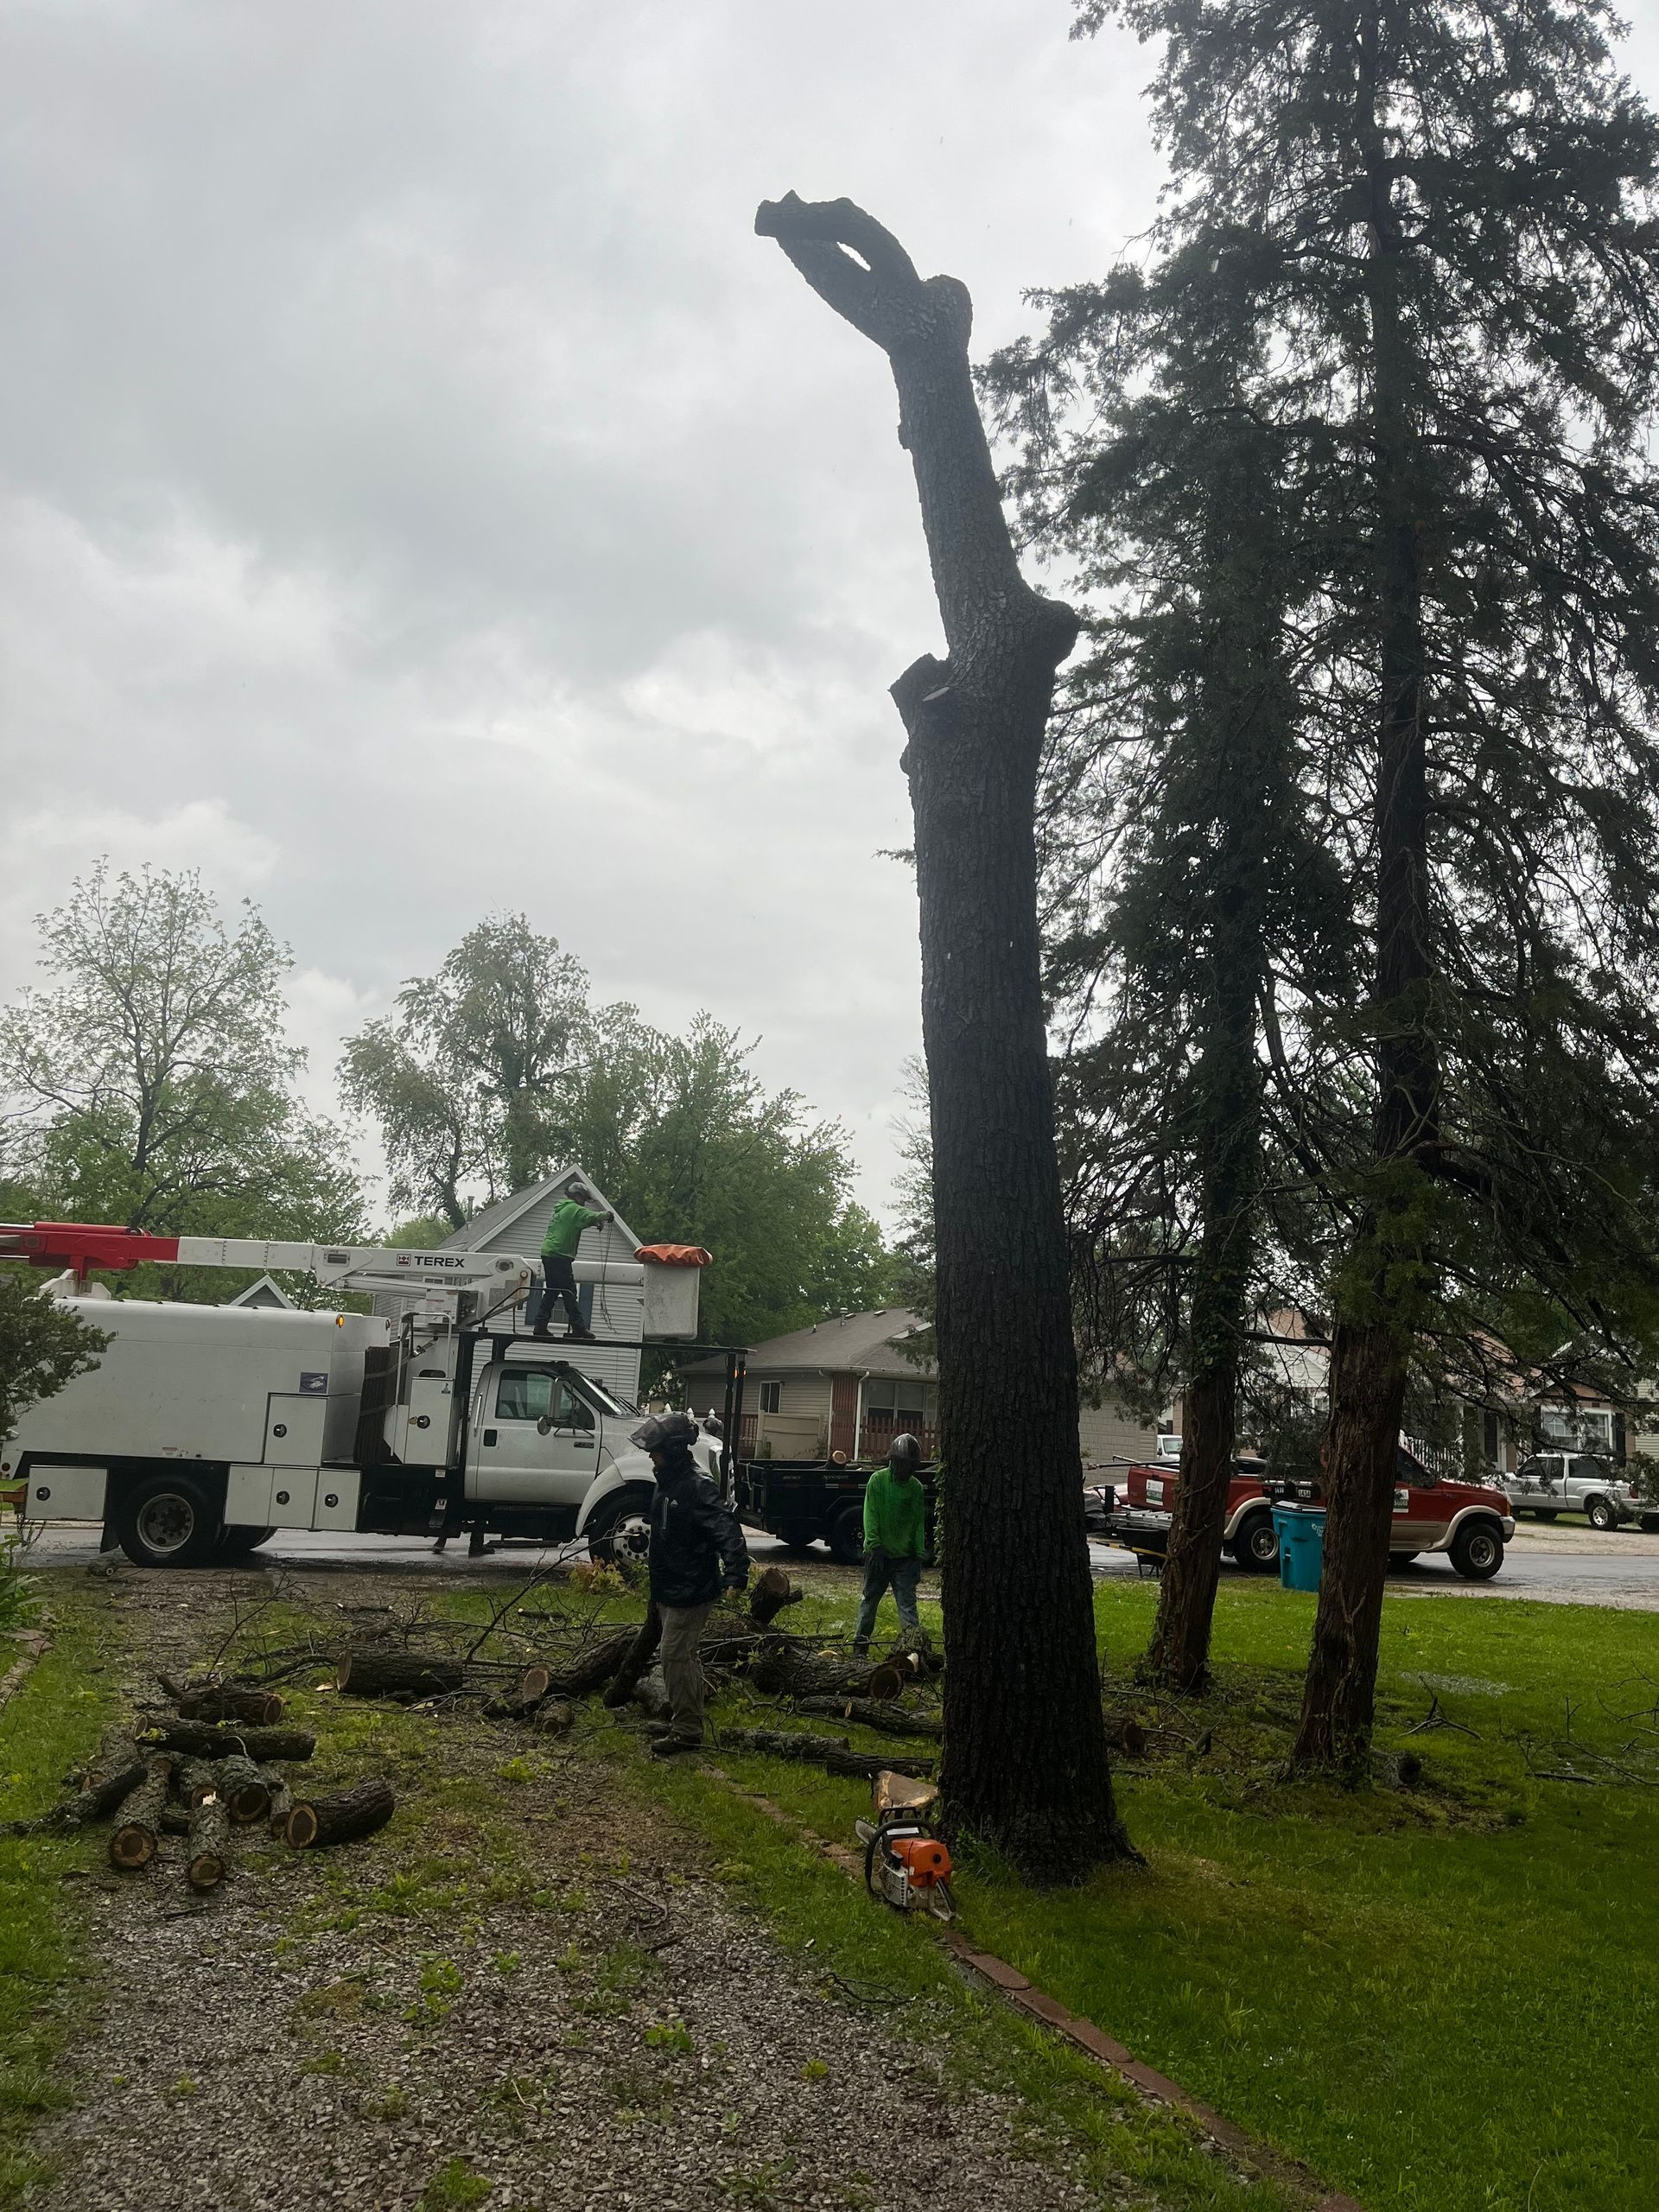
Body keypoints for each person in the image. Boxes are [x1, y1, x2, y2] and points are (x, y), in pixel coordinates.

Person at [632, 1409, 749, 1755]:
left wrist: (736, 1572)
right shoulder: (667, 1481)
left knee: (675, 1657)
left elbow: (726, 1527)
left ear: (673, 1449)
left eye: (655, 1451)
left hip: (691, 1588)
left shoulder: (697, 1486)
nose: (650, 1456)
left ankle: (686, 1730)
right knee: (681, 1657)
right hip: (670, 1587)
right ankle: (685, 1720)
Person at [853, 1432, 928, 1656]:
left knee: (907, 1607)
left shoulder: (915, 1488)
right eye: (905, 1464)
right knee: (869, 1603)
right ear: (895, 1461)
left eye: (911, 1466)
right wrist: (875, 1546)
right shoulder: (878, 1481)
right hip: (878, 1555)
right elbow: (871, 1515)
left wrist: (918, 1554)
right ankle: (860, 1649)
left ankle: (913, 1654)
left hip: (904, 1559)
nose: (908, 1470)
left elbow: (918, 1523)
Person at [533, 1181, 612, 1342]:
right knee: (569, 1292)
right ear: (577, 1196)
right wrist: (607, 1215)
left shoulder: (564, 1209)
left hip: (550, 1253)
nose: (583, 1202)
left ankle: (540, 1326)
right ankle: (578, 1328)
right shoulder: (573, 1209)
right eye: (583, 1199)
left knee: (553, 1290)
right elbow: (589, 1215)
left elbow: (581, 1221)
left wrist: (596, 1222)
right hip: (559, 1255)